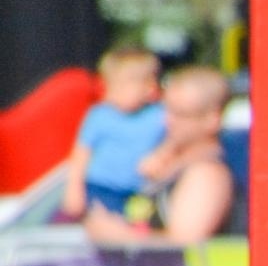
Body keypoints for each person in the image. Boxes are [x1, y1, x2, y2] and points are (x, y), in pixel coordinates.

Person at [83, 66, 232, 247]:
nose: (167, 121)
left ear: (212, 119)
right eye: (166, 110)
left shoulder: (207, 174)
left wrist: (118, 235)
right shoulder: (168, 164)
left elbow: (183, 246)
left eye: (180, 114)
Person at [62, 45, 165, 219]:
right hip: (101, 188)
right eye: (110, 86)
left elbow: (175, 143)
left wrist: (161, 156)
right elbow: (81, 155)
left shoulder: (160, 116)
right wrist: (74, 191)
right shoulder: (99, 115)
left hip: (140, 192)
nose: (111, 93)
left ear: (149, 87)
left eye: (122, 86)